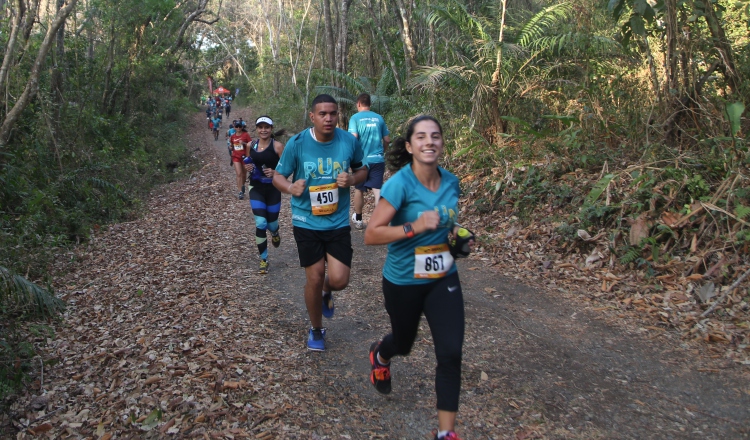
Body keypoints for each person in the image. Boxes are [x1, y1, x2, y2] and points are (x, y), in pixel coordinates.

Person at [363, 115, 473, 440]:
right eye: (421, 137)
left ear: (442, 143)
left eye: (435, 136)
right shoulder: (399, 184)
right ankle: (380, 355)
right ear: (410, 146)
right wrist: (416, 226)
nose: (430, 142)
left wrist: (457, 237)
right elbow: (372, 234)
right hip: (403, 281)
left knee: (451, 354)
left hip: (443, 277)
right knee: (404, 343)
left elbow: (446, 224)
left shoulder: (451, 182)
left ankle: (446, 433)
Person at [273, 94, 368, 351]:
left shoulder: (349, 141)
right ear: (312, 116)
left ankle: (328, 289)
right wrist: (291, 187)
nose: (328, 118)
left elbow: (363, 170)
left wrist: (352, 179)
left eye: (333, 113)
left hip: (337, 222)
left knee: (339, 280)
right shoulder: (298, 143)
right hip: (306, 221)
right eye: (323, 114)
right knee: (313, 277)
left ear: (338, 116)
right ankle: (316, 329)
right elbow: (278, 177)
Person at [243, 116, 286, 274]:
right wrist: (248, 168)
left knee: (272, 223)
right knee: (261, 223)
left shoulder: (278, 147)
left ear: (271, 129)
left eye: (266, 127)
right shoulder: (250, 145)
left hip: (273, 188)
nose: (263, 130)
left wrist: (276, 172)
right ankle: (264, 259)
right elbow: (249, 162)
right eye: (260, 127)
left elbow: (288, 169)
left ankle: (275, 232)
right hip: (256, 188)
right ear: (256, 129)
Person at [348, 93, 390, 230]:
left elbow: (353, 138)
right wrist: (381, 152)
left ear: (358, 104)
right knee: (377, 189)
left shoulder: (355, 118)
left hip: (361, 162)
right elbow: (387, 139)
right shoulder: (379, 118)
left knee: (359, 189)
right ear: (369, 104)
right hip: (378, 159)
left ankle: (359, 220)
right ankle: (379, 221)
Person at [229, 122, 252, 199]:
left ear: (242, 127)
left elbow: (251, 144)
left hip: (244, 157)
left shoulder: (245, 135)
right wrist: (231, 147)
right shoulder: (232, 136)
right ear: (234, 127)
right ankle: (240, 192)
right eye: (237, 127)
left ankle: (242, 185)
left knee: (243, 174)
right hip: (236, 157)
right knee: (238, 174)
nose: (238, 128)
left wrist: (244, 143)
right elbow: (232, 146)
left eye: (239, 126)